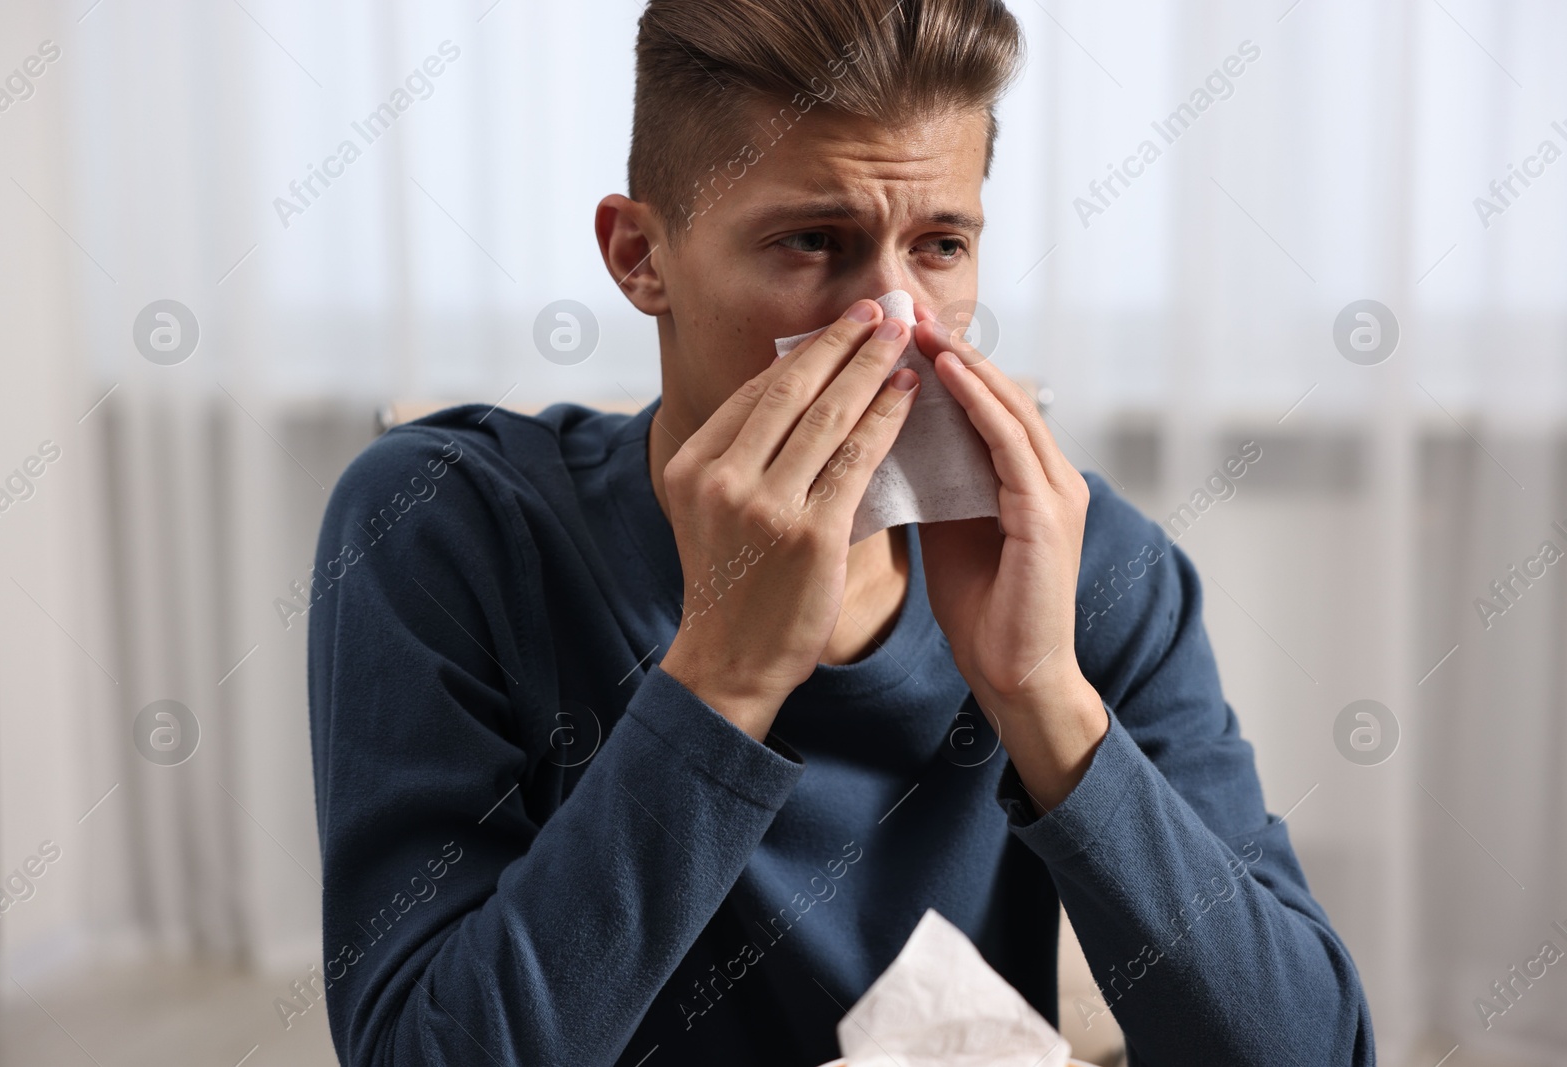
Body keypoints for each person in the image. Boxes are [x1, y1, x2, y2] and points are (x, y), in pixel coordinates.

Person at [306, 1, 1374, 1063]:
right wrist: (722, 678)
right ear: (641, 257)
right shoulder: (446, 526)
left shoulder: (1084, 562)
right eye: (815, 241)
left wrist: (1042, 695)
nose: (898, 324)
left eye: (941, 245)